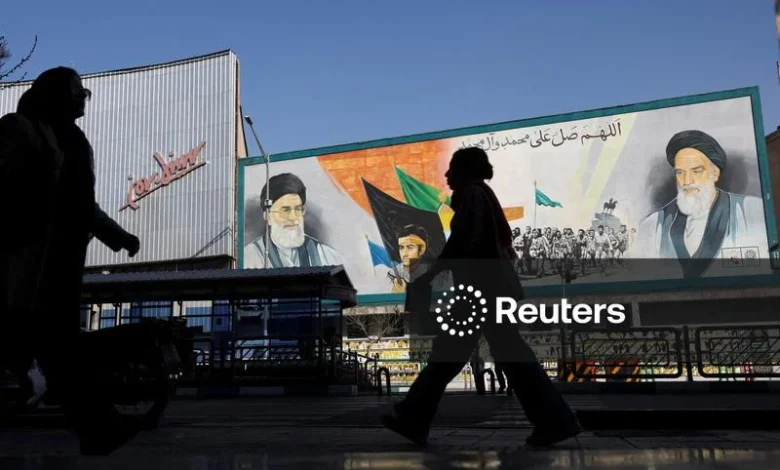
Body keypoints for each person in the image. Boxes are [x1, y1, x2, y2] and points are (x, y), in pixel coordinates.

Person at [380, 147, 581, 447]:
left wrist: (431, 274)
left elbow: (463, 243)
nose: (446, 175)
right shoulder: (480, 196)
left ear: (465, 171)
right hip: (489, 288)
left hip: (483, 290)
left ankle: (414, 417)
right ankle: (555, 420)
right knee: (477, 353)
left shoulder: (474, 195)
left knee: (457, 353)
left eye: (452, 169)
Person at [0, 67, 141, 455]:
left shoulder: (69, 141)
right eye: (78, 91)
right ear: (55, 95)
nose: (84, 98)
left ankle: (99, 427)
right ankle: (100, 427)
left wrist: (119, 236)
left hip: (55, 268)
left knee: (56, 350)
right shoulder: (22, 130)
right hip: (28, 267)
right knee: (58, 349)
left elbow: (81, 206)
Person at [636, 130, 766, 277]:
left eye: (696, 171)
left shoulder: (750, 212)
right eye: (680, 172)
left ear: (715, 173)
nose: (687, 181)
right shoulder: (653, 227)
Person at [244, 173, 344, 269]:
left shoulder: (326, 256)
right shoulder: (250, 256)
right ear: (268, 216)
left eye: (298, 209)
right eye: (285, 210)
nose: (293, 217)